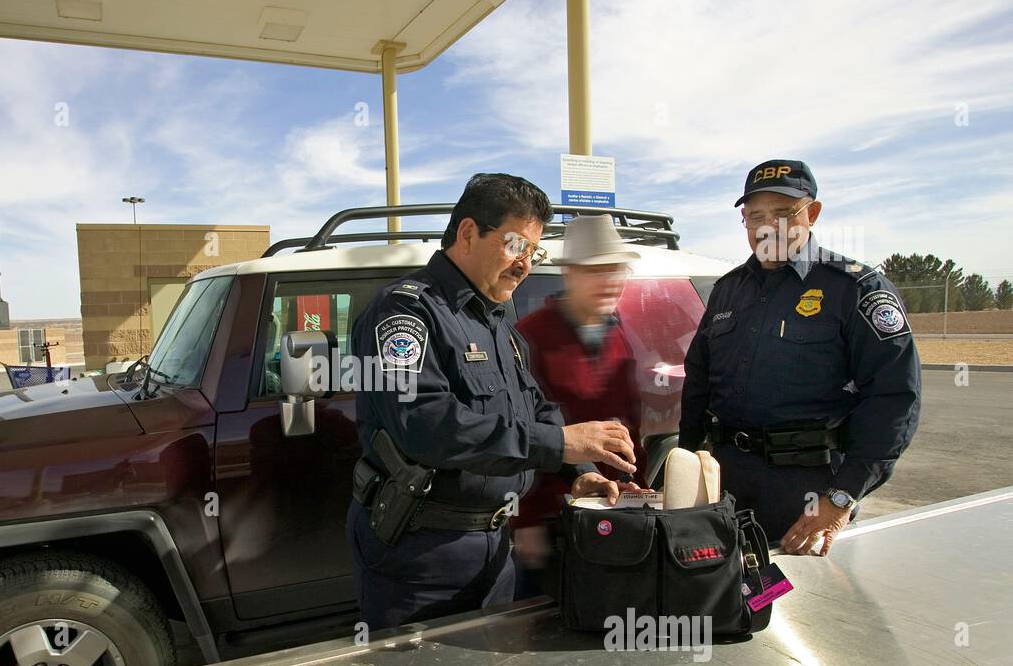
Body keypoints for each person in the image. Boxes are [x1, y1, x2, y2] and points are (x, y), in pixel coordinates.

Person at [348, 173, 640, 629]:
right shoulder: (405, 312)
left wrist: (578, 472)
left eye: (533, 252)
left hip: (495, 547)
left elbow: (535, 407)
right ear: (468, 233)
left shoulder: (495, 318)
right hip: (421, 558)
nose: (526, 265)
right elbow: (426, 425)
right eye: (515, 246)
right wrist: (560, 444)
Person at [680, 159, 921, 555]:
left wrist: (841, 498)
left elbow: (893, 400)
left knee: (805, 607)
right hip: (724, 482)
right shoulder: (728, 290)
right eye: (754, 216)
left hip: (806, 494)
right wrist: (686, 461)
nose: (765, 226)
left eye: (781, 213)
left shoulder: (854, 288)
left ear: (812, 213)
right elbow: (699, 381)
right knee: (721, 596)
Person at [512, 215, 647, 589]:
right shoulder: (530, 335)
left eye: (616, 270)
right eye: (597, 271)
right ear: (569, 274)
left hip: (616, 510)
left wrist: (637, 487)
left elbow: (630, 426)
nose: (610, 282)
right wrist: (527, 521)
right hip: (557, 520)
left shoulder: (617, 332)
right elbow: (521, 434)